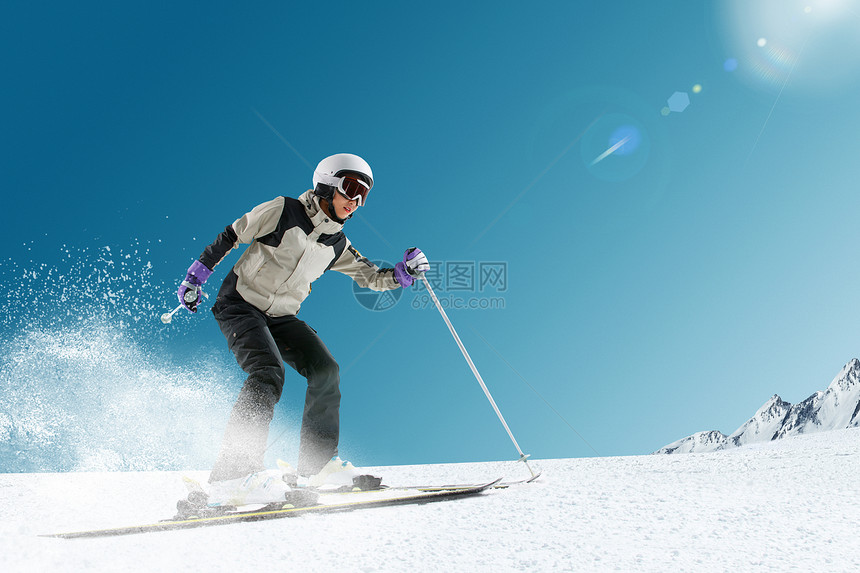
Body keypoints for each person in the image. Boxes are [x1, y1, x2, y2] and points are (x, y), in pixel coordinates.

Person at [176, 153, 429, 506]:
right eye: (350, 188)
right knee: (267, 373)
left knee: (326, 369)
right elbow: (234, 233)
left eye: (364, 195)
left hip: (281, 316)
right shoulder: (283, 211)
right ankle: (233, 475)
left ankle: (317, 465)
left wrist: (404, 274)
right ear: (326, 183)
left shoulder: (336, 243)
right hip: (240, 304)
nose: (355, 201)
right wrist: (197, 275)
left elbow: (370, 275)